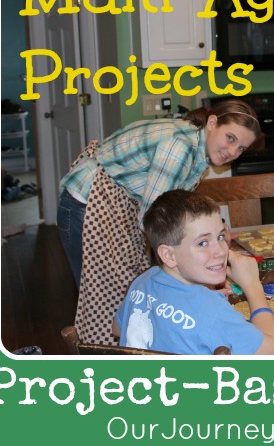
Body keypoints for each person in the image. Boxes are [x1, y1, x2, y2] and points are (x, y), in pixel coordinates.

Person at [57, 100, 261, 345]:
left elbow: (176, 209)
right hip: (89, 202)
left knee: (128, 288)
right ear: (212, 122)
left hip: (117, 204)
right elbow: (157, 219)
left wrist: (212, 234)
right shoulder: (179, 147)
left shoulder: (196, 149)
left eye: (241, 148)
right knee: (105, 293)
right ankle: (104, 363)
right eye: (230, 138)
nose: (232, 151)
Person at [113, 190, 274, 355]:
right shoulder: (212, 311)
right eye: (202, 243)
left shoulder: (143, 281)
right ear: (168, 255)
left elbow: (118, 328)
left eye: (220, 237)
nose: (221, 251)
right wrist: (252, 285)